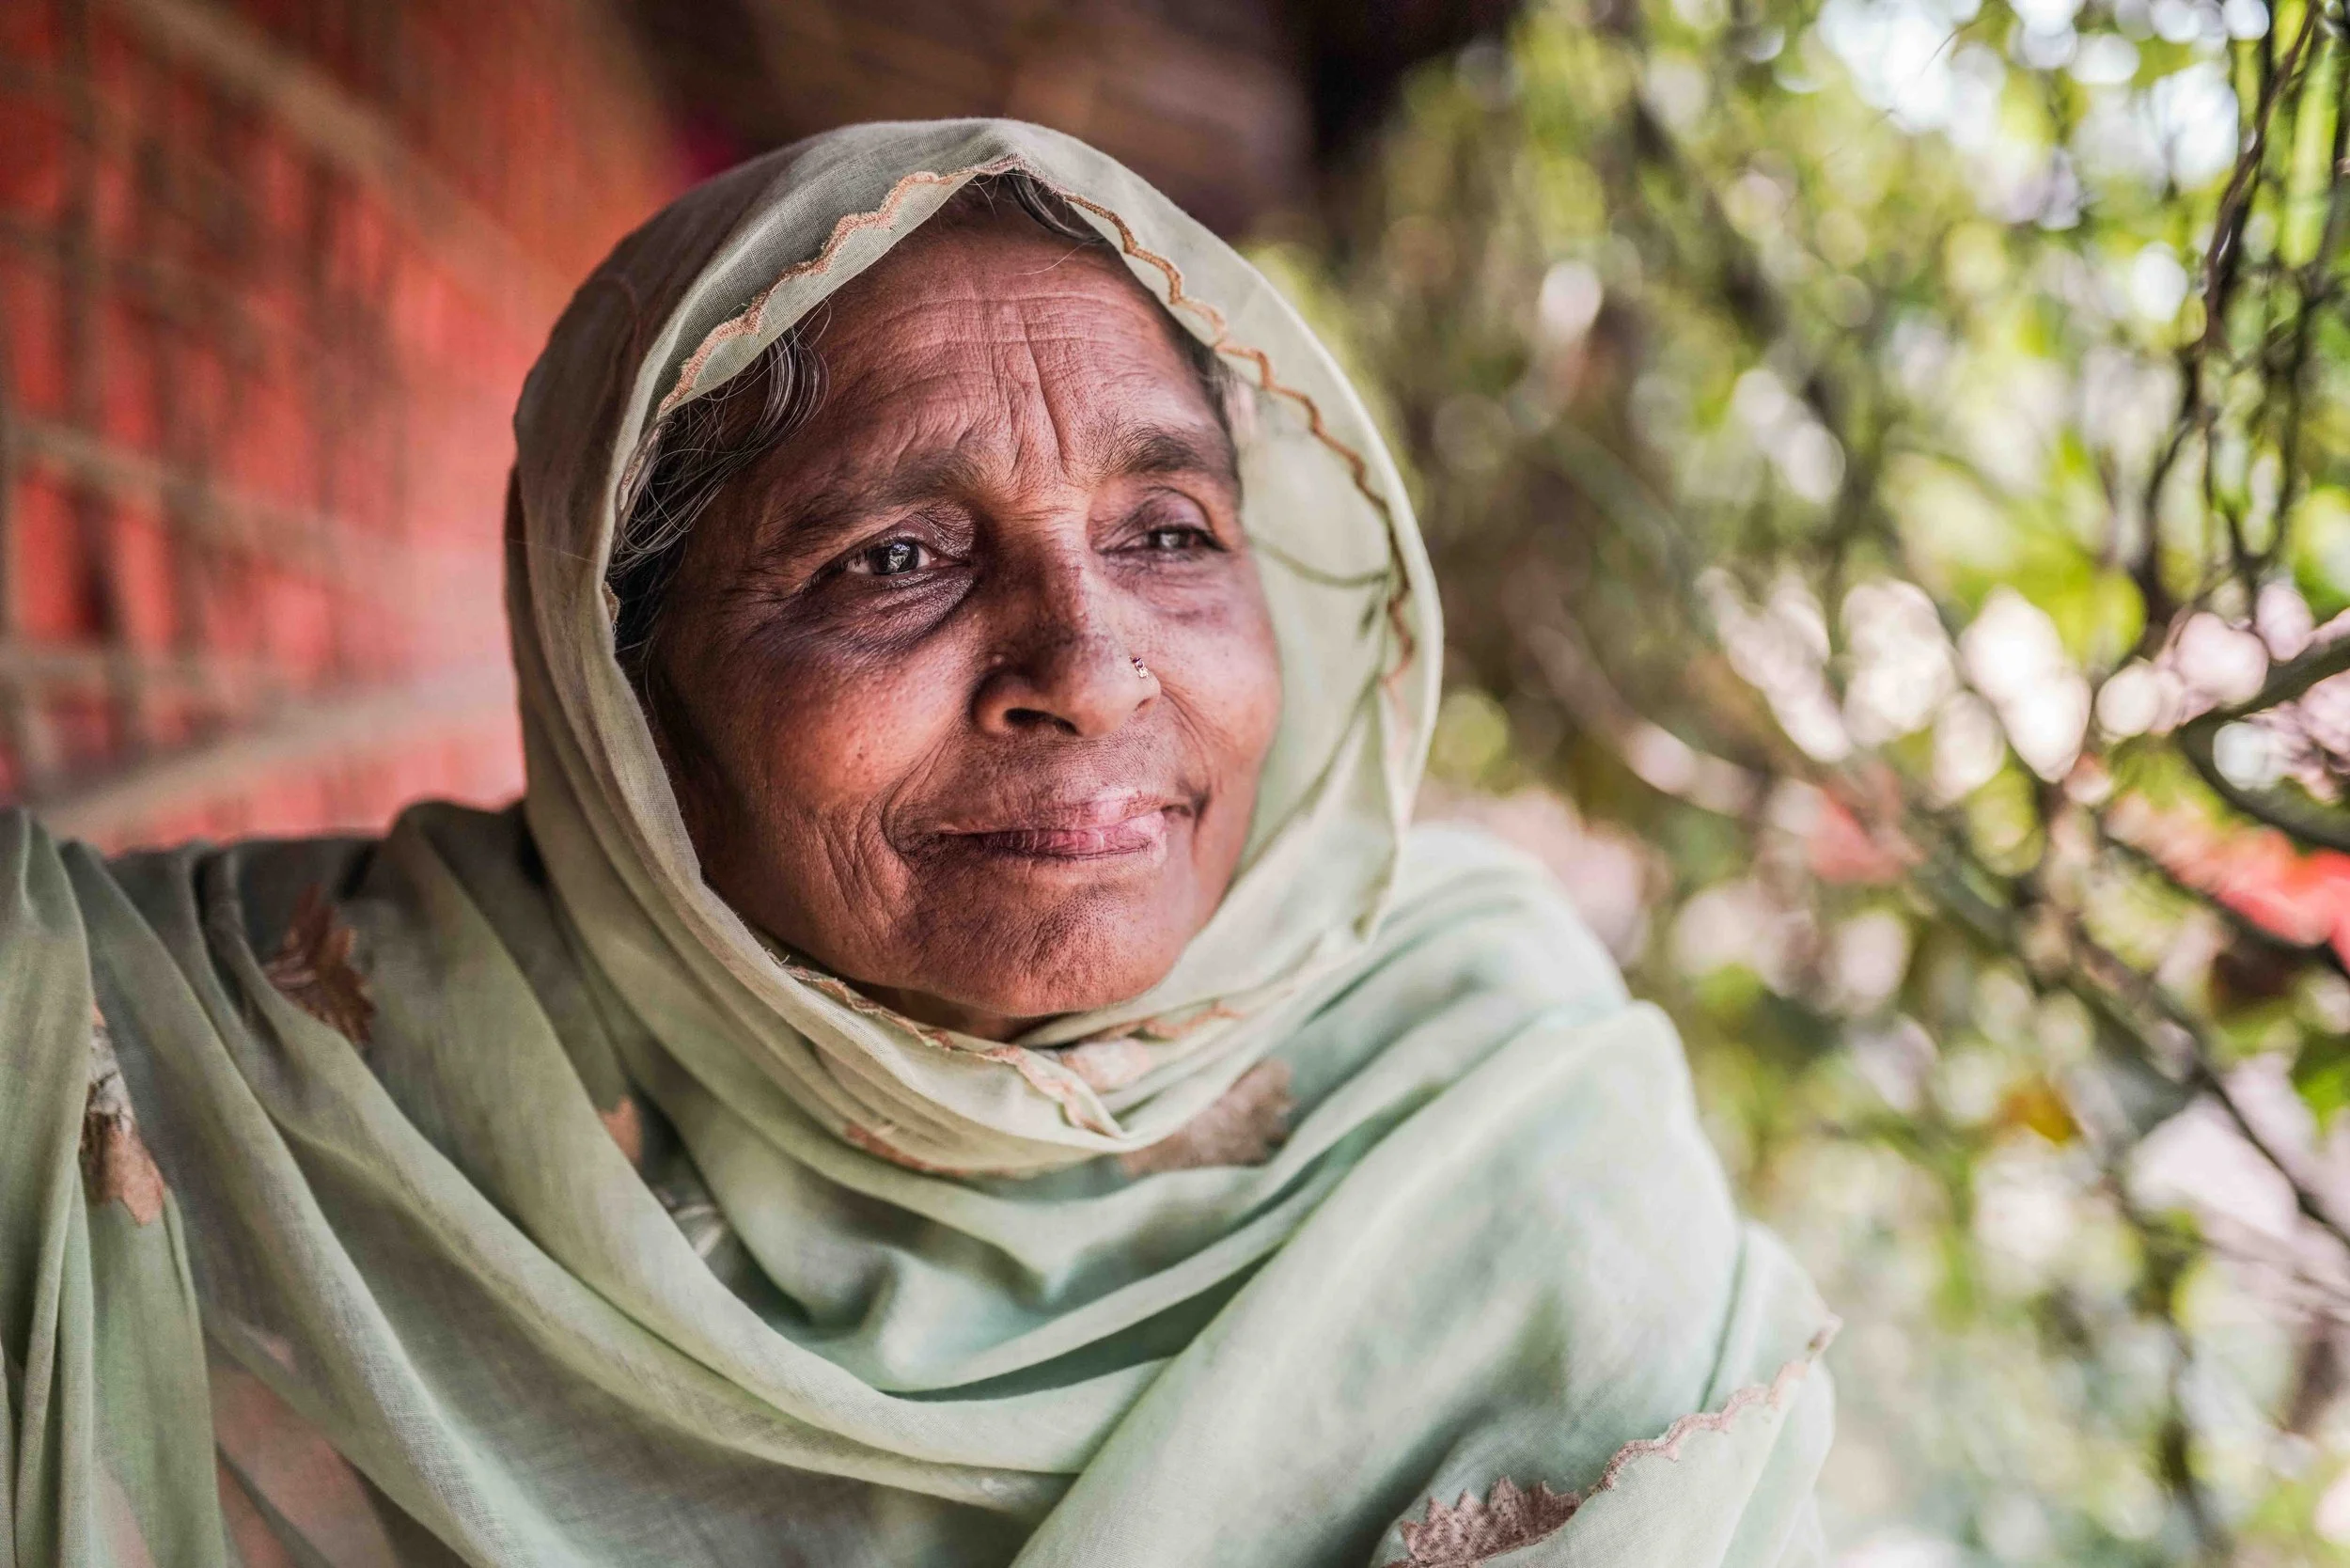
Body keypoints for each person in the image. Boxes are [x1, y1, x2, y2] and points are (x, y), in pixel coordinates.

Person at [2, 120, 1834, 1567]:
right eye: (893, 558)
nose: (1088, 673)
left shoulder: (1502, 1096)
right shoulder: (256, 1086)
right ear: (622, 695)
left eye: (1168, 532)